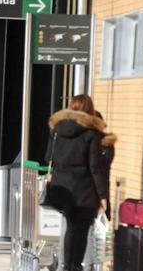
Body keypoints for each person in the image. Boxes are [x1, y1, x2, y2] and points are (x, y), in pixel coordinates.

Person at [46, 95, 108, 271]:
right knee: (81, 229)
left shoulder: (57, 129)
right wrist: (103, 195)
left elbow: (48, 156)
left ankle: (66, 266)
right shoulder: (90, 132)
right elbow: (95, 167)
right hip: (83, 188)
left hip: (62, 186)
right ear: (89, 109)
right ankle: (75, 266)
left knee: (70, 227)